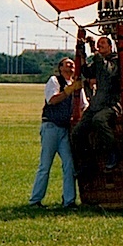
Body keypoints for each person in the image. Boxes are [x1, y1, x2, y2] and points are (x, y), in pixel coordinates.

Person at [29, 57, 86, 209]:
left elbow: (83, 106)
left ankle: (69, 201)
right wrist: (69, 90)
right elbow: (52, 100)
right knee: (45, 165)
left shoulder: (77, 86)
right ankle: (35, 200)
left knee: (69, 165)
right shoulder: (55, 81)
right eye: (67, 64)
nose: (71, 65)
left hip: (65, 129)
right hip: (51, 127)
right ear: (60, 68)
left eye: (72, 64)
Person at [72, 35, 122, 171]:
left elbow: (107, 71)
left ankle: (113, 152)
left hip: (111, 104)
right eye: (98, 44)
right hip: (97, 103)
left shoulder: (117, 60)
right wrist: (82, 52)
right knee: (77, 132)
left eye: (102, 44)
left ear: (110, 47)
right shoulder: (99, 60)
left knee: (98, 120)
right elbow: (87, 72)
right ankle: (87, 161)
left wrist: (94, 49)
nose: (100, 46)